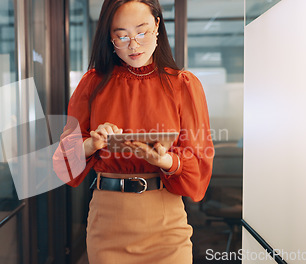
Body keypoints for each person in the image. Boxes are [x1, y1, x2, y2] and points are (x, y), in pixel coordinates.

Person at [53, 0, 214, 263]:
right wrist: (91, 144)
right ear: (109, 36)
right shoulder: (92, 83)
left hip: (165, 224)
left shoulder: (183, 84)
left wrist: (166, 161)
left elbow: (199, 166)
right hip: (108, 223)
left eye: (141, 32)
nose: (134, 45)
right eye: (122, 36)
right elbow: (63, 165)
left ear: (157, 25)